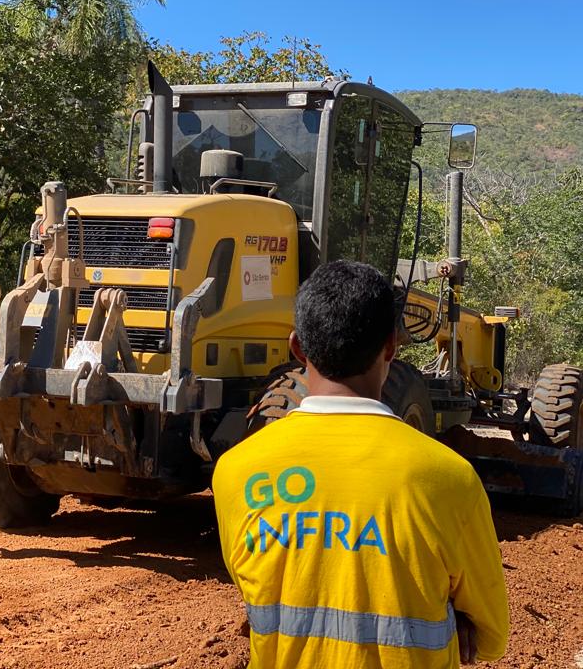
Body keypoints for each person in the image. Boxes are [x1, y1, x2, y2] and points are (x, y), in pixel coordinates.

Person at [212, 260, 509, 669]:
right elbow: (491, 638)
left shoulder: (236, 471)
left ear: (297, 348)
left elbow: (258, 590)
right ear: (391, 346)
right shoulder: (450, 478)